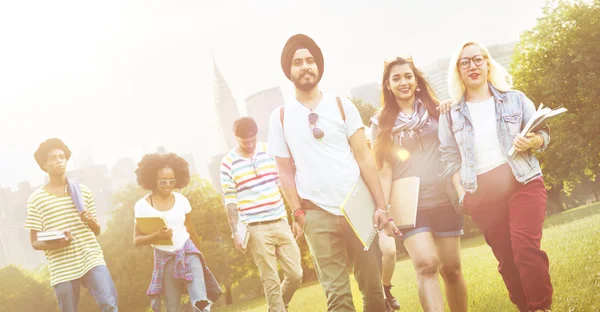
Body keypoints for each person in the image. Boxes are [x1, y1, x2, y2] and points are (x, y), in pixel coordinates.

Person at [268, 33, 399, 312]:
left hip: (357, 207)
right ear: (288, 71)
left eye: (311, 61)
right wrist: (299, 213)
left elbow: (364, 158)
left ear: (319, 67)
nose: (305, 66)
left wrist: (381, 206)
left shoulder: (342, 105)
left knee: (374, 292)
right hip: (316, 214)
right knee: (337, 298)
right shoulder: (280, 116)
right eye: (298, 62)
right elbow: (285, 172)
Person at [439, 40, 553, 312]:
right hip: (482, 192)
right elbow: (449, 158)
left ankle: (542, 308)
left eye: (478, 59)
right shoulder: (450, 113)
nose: (472, 66)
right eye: (464, 62)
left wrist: (534, 141)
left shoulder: (515, 98)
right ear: (458, 70)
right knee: (508, 261)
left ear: (488, 62)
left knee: (525, 250)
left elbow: (545, 134)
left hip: (522, 181)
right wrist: (462, 195)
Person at [371, 55, 468, 312]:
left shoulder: (438, 110)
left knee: (452, 269)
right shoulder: (380, 123)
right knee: (426, 264)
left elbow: (456, 147)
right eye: (396, 78)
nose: (403, 82)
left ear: (416, 81)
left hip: (445, 198)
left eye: (408, 76)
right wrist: (384, 210)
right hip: (410, 206)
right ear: (388, 86)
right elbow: (384, 170)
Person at [25, 138, 118, 312]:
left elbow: (96, 231)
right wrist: (61, 241)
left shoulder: (82, 191)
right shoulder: (37, 199)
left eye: (61, 156)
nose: (59, 161)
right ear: (44, 165)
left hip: (91, 257)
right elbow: (35, 242)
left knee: (109, 304)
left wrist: (91, 221)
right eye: (52, 158)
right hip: (62, 266)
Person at [220, 117, 303, 311]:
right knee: (270, 278)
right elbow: (230, 200)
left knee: (295, 274)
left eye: (252, 140)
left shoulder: (269, 152)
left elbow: (283, 184)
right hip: (254, 227)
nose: (249, 145)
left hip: (280, 221)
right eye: (244, 141)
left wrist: (294, 216)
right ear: (236, 138)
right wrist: (235, 232)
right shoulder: (228, 163)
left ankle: (279, 306)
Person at [133, 153, 221, 312]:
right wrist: (156, 236)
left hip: (189, 252)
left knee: (201, 303)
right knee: (172, 307)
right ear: (152, 180)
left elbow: (191, 231)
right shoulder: (142, 206)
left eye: (172, 181)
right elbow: (136, 240)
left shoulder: (181, 200)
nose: (168, 185)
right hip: (164, 258)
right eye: (163, 181)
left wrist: (200, 256)